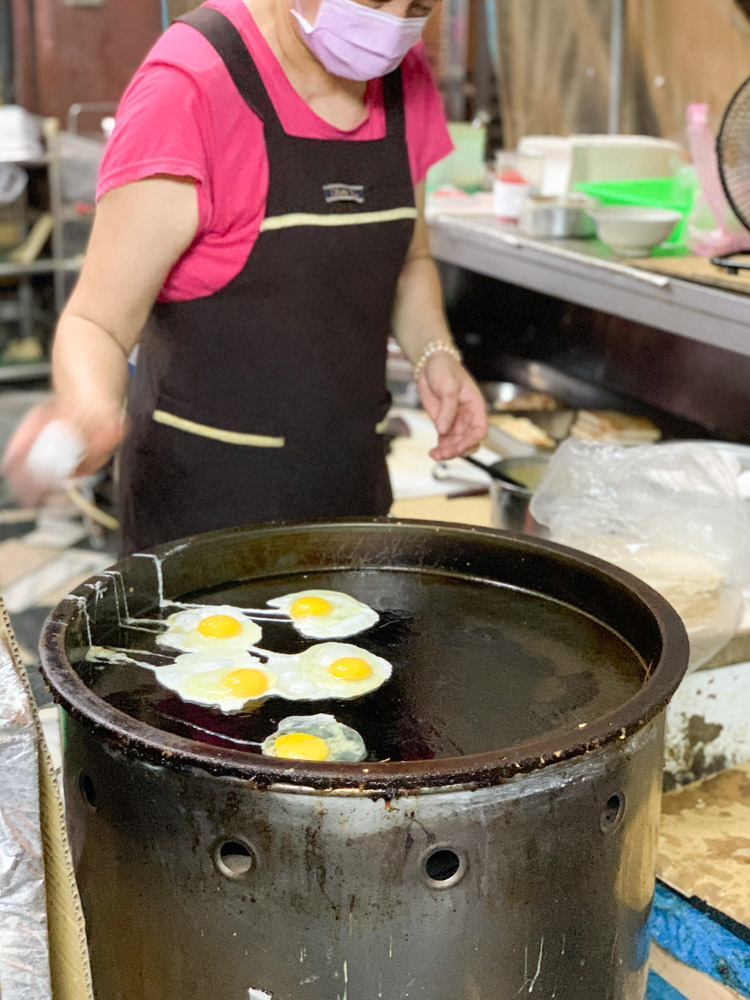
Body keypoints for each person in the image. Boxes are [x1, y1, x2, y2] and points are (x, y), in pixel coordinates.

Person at [3, 0, 488, 554]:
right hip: (200, 522)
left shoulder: (402, 69)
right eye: (374, 0)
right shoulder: (190, 87)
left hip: (352, 499)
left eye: (419, 5)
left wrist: (436, 353)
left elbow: (410, 256)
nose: (394, 21)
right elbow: (97, 322)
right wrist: (89, 406)